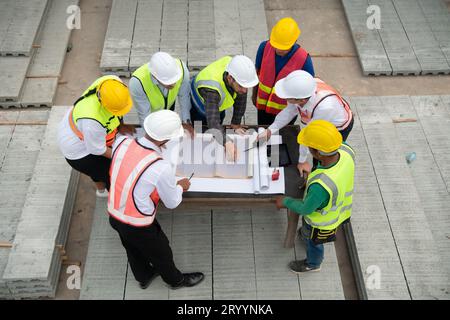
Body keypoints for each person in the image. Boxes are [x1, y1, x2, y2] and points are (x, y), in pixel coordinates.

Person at [108, 110, 205, 290]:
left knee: (132, 249)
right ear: (165, 140)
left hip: (114, 214)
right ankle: (175, 281)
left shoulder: (122, 142)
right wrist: (180, 186)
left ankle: (143, 276)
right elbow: (172, 202)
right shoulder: (160, 167)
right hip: (138, 223)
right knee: (162, 252)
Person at [275, 120, 355, 272]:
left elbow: (305, 208)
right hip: (340, 210)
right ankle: (306, 235)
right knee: (308, 235)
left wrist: (285, 201)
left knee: (314, 243)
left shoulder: (320, 186)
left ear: (317, 153)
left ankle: (312, 264)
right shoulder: (345, 150)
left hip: (321, 222)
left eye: (309, 148)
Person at [258, 70, 353, 178]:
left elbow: (308, 135)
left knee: (323, 156)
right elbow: (289, 111)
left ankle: (319, 175)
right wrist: (270, 130)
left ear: (302, 100)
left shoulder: (324, 108)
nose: (285, 99)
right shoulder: (304, 88)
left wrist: (302, 161)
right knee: (315, 151)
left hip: (339, 126)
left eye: (287, 98)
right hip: (328, 111)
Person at [57, 75, 135, 197]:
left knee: (100, 170)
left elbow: (117, 110)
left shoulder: (112, 83)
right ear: (103, 104)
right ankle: (112, 194)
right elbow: (97, 150)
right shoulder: (91, 122)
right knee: (113, 175)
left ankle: (101, 191)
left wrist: (121, 125)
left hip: (84, 137)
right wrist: (125, 156)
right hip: (80, 154)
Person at [190, 55, 259, 161]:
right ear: (230, 78)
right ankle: (200, 156)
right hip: (200, 105)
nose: (245, 91)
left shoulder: (237, 73)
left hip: (217, 101)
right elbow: (213, 123)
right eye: (241, 86)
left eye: (246, 87)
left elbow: (240, 98)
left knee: (219, 126)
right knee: (201, 130)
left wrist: (235, 124)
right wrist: (227, 141)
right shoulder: (212, 91)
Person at [252, 17, 315, 125]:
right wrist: (254, 95)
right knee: (263, 131)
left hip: (286, 111)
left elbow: (308, 89)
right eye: (276, 46)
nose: (278, 50)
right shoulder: (264, 47)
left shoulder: (304, 60)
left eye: (283, 47)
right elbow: (257, 73)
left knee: (283, 136)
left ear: (294, 41)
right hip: (263, 107)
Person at [129, 52, 194, 136]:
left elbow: (184, 97)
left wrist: (186, 121)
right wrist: (152, 137)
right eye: (168, 82)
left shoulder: (182, 69)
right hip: (153, 113)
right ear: (155, 76)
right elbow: (144, 115)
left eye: (174, 80)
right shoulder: (137, 83)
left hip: (169, 104)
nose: (173, 84)